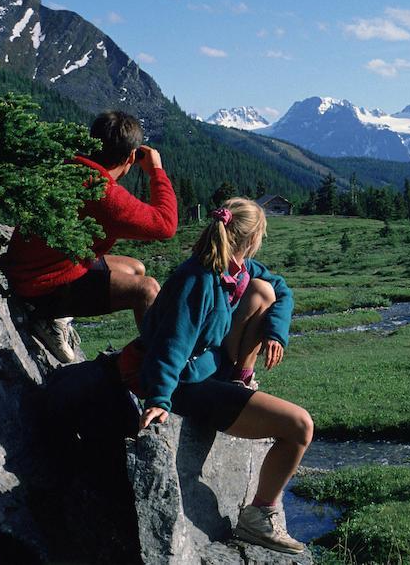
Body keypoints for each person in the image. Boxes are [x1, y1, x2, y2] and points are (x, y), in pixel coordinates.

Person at [121, 197, 311, 555]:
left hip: (210, 370)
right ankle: (258, 519)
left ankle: (240, 379)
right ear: (252, 238)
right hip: (186, 384)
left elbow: (280, 290)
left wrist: (275, 332)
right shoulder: (198, 279)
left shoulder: (238, 270)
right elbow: (171, 345)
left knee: (265, 291)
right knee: (299, 426)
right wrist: (160, 400)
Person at [4, 111, 178, 363]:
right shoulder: (105, 194)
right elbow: (165, 225)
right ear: (131, 156)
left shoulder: (71, 167)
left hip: (38, 267)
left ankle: (58, 317)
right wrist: (156, 172)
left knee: (135, 268)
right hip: (41, 287)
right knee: (147, 290)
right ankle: (158, 369)